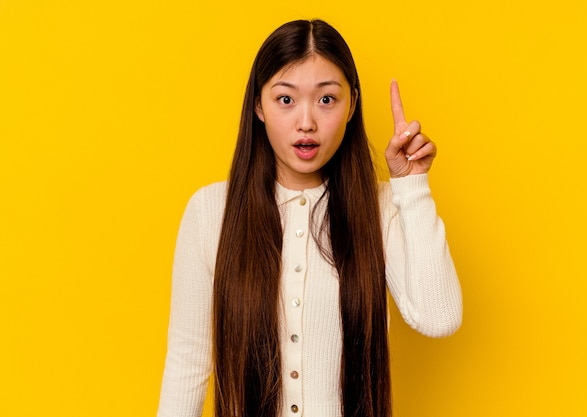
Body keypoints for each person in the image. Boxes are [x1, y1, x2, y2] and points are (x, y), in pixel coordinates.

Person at [157, 19, 462, 417]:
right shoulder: (210, 211)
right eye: (286, 99)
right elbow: (187, 365)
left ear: (351, 104)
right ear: (258, 106)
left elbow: (439, 317)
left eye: (326, 99)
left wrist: (413, 186)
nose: (306, 122)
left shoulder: (383, 206)